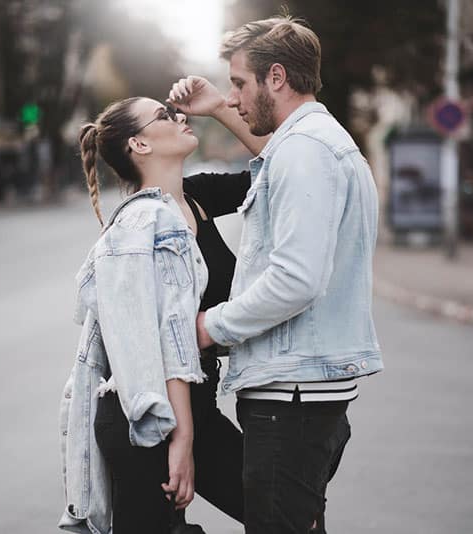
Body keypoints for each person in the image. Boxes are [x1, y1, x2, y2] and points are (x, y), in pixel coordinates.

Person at [172, 16, 384, 534]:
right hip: (302, 394)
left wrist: (208, 327)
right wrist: (220, 108)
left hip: (291, 400)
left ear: (276, 78)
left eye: (239, 83)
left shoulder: (305, 152)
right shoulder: (311, 143)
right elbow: (272, 154)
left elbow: (295, 280)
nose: (234, 96)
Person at [58, 95, 267, 534]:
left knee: (282, 512)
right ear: (139, 144)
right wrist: (181, 438)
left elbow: (280, 167)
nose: (180, 116)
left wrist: (218, 106)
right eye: (165, 115)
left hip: (195, 410)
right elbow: (164, 340)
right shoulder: (141, 226)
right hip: (147, 419)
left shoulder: (198, 197)